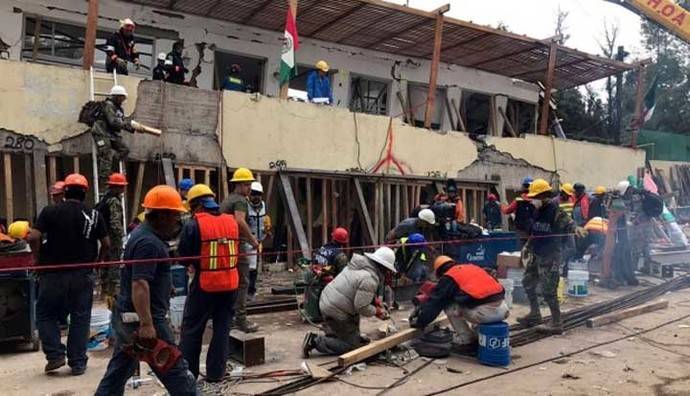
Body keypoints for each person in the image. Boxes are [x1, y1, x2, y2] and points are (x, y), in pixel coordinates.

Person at [96, 185, 197, 394]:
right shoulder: (148, 243)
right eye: (174, 216)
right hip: (144, 318)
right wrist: (147, 324)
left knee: (119, 370)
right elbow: (139, 283)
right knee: (173, 368)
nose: (177, 221)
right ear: (161, 216)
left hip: (128, 315)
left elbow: (143, 276)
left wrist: (163, 285)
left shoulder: (143, 235)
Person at [28, 173, 109, 375]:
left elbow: (34, 236)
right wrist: (98, 262)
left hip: (52, 273)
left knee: (46, 314)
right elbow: (106, 243)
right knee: (80, 317)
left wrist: (37, 260)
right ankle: (78, 362)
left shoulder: (50, 211)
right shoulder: (94, 215)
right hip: (82, 274)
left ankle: (55, 356)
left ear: (65, 191)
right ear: (85, 193)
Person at [178, 184, 239, 381]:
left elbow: (184, 256)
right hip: (230, 284)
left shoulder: (194, 224)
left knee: (192, 329)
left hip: (205, 283)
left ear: (196, 205)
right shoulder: (231, 221)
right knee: (222, 329)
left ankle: (188, 374)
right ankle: (216, 373)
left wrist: (193, 263)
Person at [302, 246, 397, 357]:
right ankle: (315, 341)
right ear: (384, 267)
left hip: (328, 300)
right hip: (336, 309)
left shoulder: (359, 266)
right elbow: (361, 307)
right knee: (352, 347)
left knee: (353, 330)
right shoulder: (369, 279)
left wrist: (374, 301)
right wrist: (377, 311)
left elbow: (356, 288)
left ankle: (333, 332)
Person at [516, 179, 580, 334]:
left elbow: (569, 223)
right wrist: (528, 246)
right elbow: (536, 231)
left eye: (536, 197)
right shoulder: (537, 211)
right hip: (537, 252)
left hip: (550, 255)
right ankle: (535, 313)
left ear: (545, 195)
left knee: (548, 289)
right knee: (528, 282)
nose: (534, 200)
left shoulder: (555, 211)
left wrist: (576, 229)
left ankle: (556, 322)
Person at [410, 256, 508, 344]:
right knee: (473, 300)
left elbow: (435, 304)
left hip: (485, 314)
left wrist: (420, 322)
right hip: (503, 309)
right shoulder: (472, 268)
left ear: (440, 272)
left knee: (448, 304)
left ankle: (466, 338)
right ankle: (479, 334)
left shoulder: (449, 276)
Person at [220, 168, 260, 333]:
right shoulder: (240, 201)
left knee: (231, 283)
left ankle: (227, 318)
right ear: (239, 185)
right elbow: (239, 221)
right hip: (237, 245)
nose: (250, 188)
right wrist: (254, 241)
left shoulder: (228, 200)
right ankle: (241, 320)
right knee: (243, 282)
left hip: (226, 245)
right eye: (247, 185)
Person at [91, 85, 134, 191]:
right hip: (101, 133)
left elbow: (120, 122)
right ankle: (105, 182)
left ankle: (110, 168)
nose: (123, 99)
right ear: (116, 96)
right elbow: (113, 122)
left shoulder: (119, 109)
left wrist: (131, 128)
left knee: (124, 150)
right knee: (106, 154)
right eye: (122, 97)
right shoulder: (108, 106)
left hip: (112, 134)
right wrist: (126, 125)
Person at [95, 172, 128, 308]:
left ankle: (103, 292)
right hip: (113, 238)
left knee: (105, 262)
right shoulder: (114, 201)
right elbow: (115, 222)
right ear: (116, 187)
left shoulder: (104, 199)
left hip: (104, 237)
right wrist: (121, 236)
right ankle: (111, 293)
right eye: (121, 187)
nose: (123, 189)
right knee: (113, 263)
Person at [247, 181, 271, 300]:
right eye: (254, 194)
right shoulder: (245, 206)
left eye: (258, 194)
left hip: (258, 241)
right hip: (247, 241)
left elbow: (264, 222)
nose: (256, 197)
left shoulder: (263, 205)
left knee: (254, 267)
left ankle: (251, 290)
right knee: (247, 267)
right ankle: (245, 291)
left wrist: (267, 231)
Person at [502, 176, 534, 248]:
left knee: (521, 252)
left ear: (523, 186)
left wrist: (502, 206)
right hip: (533, 232)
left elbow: (507, 211)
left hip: (521, 230)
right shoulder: (536, 200)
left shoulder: (518, 200)